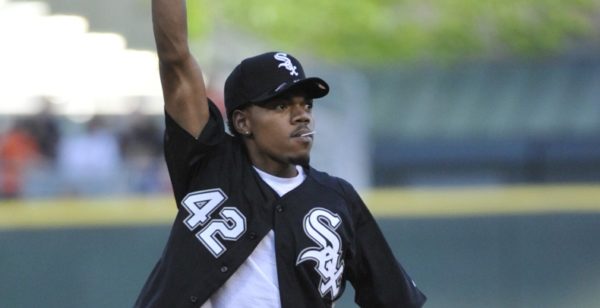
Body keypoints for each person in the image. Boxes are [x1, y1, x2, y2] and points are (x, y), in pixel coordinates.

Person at [135, 0, 427, 307]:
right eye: (281, 105)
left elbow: (395, 298)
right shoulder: (209, 163)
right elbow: (175, 58)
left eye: (306, 105)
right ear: (243, 121)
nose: (302, 115)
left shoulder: (337, 199)